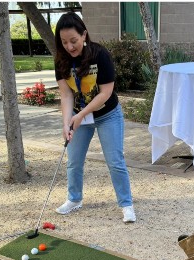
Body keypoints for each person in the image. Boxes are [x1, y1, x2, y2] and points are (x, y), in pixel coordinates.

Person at [54, 12, 136, 223]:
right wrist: (66, 123)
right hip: (79, 115)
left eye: (74, 41)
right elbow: (66, 95)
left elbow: (105, 93)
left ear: (84, 35)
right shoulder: (61, 61)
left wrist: (80, 115)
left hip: (107, 114)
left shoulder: (99, 54)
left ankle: (126, 205)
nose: (70, 47)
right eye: (64, 42)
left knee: (115, 161)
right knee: (73, 161)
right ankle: (74, 199)